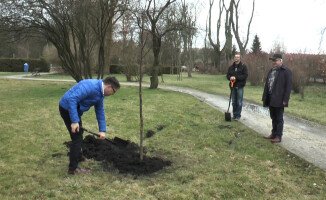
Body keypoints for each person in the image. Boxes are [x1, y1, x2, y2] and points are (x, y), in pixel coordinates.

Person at [59, 77, 120, 175]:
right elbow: (72, 99)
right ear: (109, 87)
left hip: (75, 109)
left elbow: (100, 111)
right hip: (67, 107)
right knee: (77, 138)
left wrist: (102, 130)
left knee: (79, 133)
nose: (113, 94)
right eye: (114, 91)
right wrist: (74, 121)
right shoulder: (90, 86)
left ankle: (78, 156)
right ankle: (73, 169)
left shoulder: (101, 94)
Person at [262, 54, 292, 143]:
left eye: (275, 61)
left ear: (280, 61)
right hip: (271, 97)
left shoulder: (286, 71)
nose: (274, 62)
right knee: (273, 117)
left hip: (279, 99)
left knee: (279, 118)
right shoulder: (272, 70)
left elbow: (288, 87)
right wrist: (265, 96)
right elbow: (267, 85)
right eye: (273, 61)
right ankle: (273, 133)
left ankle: (279, 136)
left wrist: (285, 100)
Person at [226, 53, 248, 120]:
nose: (236, 58)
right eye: (235, 57)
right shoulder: (231, 67)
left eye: (238, 57)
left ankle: (238, 115)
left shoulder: (243, 67)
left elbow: (245, 76)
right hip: (232, 86)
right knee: (233, 101)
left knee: (239, 101)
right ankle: (234, 114)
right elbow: (227, 76)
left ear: (240, 58)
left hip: (240, 86)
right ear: (234, 58)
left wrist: (236, 78)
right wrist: (230, 78)